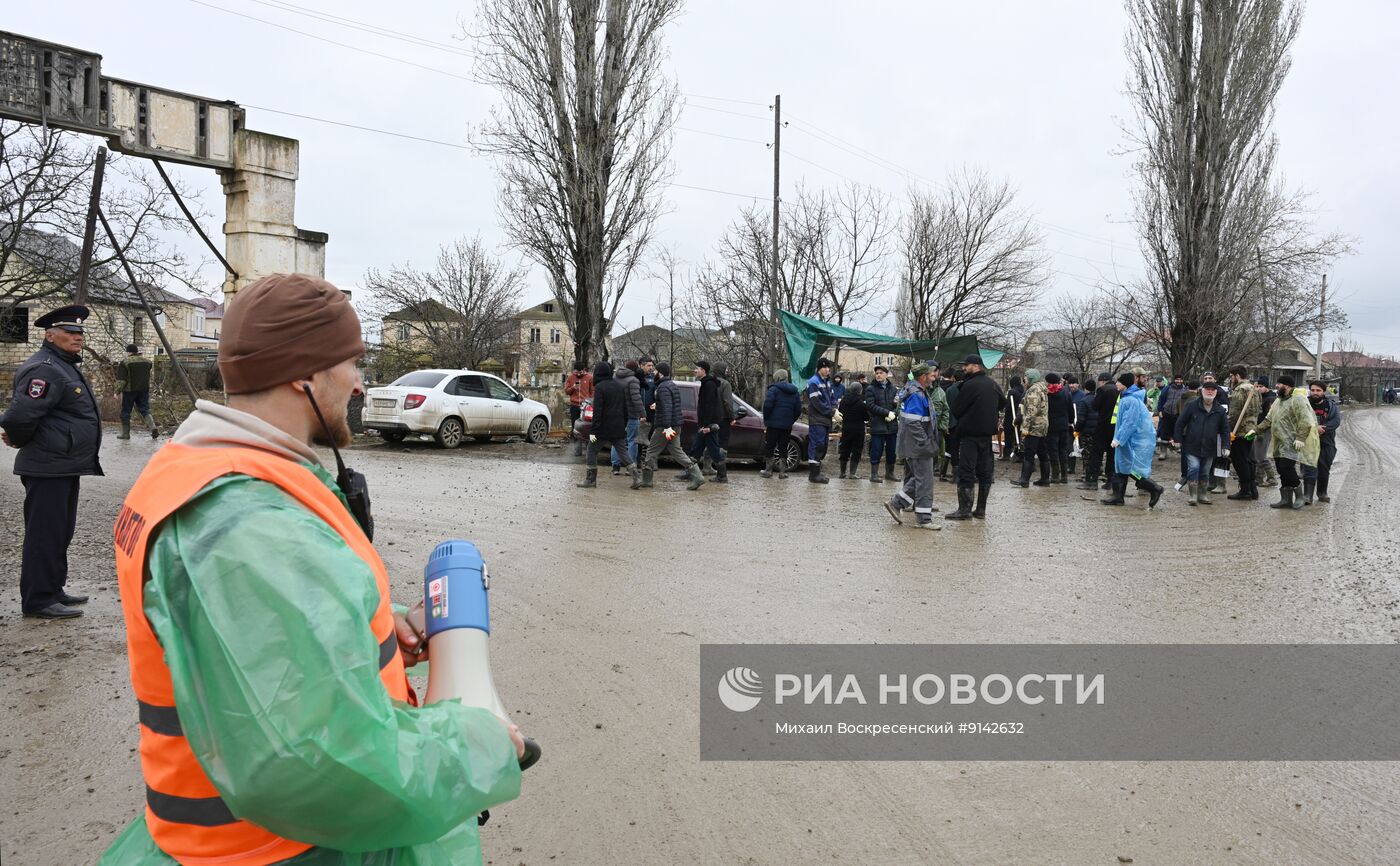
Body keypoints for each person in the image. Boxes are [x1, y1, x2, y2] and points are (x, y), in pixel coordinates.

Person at [101, 274, 522, 865]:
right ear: (304, 375)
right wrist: (475, 747)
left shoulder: (200, 466)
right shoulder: (249, 521)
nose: (360, 383)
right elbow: (312, 762)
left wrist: (370, 626)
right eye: (351, 363)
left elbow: (248, 626)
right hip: (280, 850)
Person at [1, 303, 102, 619]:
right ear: (50, 335)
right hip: (48, 465)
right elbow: (19, 416)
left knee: (59, 531)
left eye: (80, 332)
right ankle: (39, 600)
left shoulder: (63, 364)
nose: (78, 337)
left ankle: (53, 589)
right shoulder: (45, 368)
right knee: (44, 533)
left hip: (63, 464)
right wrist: (18, 438)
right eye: (70, 332)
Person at [947, 353, 1005, 520]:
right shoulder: (992, 384)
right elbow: (1003, 402)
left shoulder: (969, 385)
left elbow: (956, 409)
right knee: (985, 473)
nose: (964, 368)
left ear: (976, 366)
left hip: (970, 435)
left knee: (966, 471)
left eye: (967, 365)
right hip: (987, 435)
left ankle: (964, 510)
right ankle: (980, 510)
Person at [883, 363, 940, 530]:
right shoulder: (916, 394)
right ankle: (921, 518)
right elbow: (913, 423)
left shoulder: (914, 391)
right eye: (931, 375)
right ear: (923, 377)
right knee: (924, 481)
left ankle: (900, 505)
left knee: (920, 479)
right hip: (918, 445)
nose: (934, 378)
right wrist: (925, 442)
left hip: (914, 444)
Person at [1254, 375, 1319, 510]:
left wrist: (1300, 438)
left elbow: (1306, 420)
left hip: (1292, 442)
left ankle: (1300, 496)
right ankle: (1286, 499)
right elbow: (1269, 419)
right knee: (1280, 469)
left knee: (1287, 468)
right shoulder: (1279, 400)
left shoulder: (1298, 399)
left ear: (1287, 386)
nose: (1276, 386)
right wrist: (1256, 430)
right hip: (1279, 441)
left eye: (1279, 384)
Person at [1102, 373, 1165, 508]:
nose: (1116, 384)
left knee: (1130, 468)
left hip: (1131, 441)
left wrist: (1119, 439)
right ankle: (1118, 497)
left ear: (1125, 384)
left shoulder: (1130, 400)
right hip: (1129, 440)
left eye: (1119, 382)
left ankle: (1154, 488)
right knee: (1121, 468)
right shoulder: (1128, 398)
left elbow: (1129, 422)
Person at [579, 361, 640, 489]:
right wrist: (623, 424)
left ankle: (590, 480)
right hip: (618, 427)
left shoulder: (600, 387)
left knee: (591, 450)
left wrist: (593, 431)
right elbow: (626, 409)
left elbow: (598, 411)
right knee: (623, 452)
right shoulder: (620, 386)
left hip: (602, 429)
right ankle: (636, 477)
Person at [643, 362, 703, 490]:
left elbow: (667, 407)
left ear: (660, 373)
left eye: (655, 371)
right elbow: (670, 404)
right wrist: (658, 405)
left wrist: (666, 426)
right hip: (675, 424)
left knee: (651, 451)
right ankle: (697, 475)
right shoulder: (672, 385)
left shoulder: (663, 387)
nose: (654, 373)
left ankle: (647, 480)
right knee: (677, 451)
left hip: (665, 426)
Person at [1174, 381, 1230, 505]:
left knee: (1205, 471)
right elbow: (1180, 422)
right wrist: (1177, 439)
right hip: (1191, 445)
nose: (1210, 391)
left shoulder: (1220, 410)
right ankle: (1193, 496)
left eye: (1212, 390)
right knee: (1194, 467)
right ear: (1202, 391)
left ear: (1216, 392)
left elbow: (1225, 430)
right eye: (1207, 389)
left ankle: (1202, 495)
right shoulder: (1192, 406)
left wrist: (1226, 446)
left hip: (1209, 447)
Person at [1225, 365, 1261, 501]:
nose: (1231, 379)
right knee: (1248, 459)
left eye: (1231, 376)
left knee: (1240, 461)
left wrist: (1228, 430)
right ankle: (1253, 489)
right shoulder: (1254, 389)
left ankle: (1246, 491)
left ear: (1237, 376)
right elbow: (1259, 409)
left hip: (1240, 430)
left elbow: (1234, 413)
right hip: (1251, 429)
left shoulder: (1240, 389)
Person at [689, 360, 728, 484]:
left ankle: (722, 476)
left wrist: (707, 425)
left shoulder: (709, 385)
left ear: (703, 370)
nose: (695, 370)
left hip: (709, 425)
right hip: (705, 424)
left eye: (697, 368)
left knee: (714, 451)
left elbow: (709, 406)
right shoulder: (706, 383)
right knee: (696, 449)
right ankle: (689, 472)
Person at [760, 369, 803, 480]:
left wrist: (767, 419)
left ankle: (768, 471)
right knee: (783, 447)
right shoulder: (794, 391)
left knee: (770, 446)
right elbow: (798, 409)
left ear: (777, 378)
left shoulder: (773, 389)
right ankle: (782, 472)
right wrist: (790, 420)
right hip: (786, 426)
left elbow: (767, 405)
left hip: (773, 425)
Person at [1303, 380, 1341, 504]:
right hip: (1308, 442)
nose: (1315, 393)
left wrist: (1323, 429)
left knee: (1324, 468)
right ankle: (1307, 495)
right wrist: (1315, 429)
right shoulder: (1304, 405)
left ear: (1323, 392)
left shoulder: (1331, 406)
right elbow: (1299, 420)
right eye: (1313, 390)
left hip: (1326, 442)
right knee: (1309, 467)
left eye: (1318, 390)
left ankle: (1322, 493)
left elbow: (1336, 421)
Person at [1011, 369, 1049, 488]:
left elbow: (1031, 411)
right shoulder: (1042, 388)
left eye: (1026, 378)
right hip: (1042, 425)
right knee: (1042, 452)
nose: (1024, 381)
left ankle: (1024, 479)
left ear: (1031, 378)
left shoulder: (1033, 390)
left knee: (1029, 453)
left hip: (1034, 427)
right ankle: (1045, 479)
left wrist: (1026, 428)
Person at [863, 365, 899, 482]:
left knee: (892, 451)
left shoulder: (894, 389)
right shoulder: (871, 389)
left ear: (886, 374)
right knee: (876, 450)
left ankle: (890, 473)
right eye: (877, 373)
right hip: (878, 425)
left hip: (892, 425)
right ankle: (874, 474)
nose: (878, 375)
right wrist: (886, 413)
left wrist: (894, 413)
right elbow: (870, 405)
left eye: (881, 373)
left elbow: (898, 405)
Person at [116, 343, 159, 440]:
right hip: (144, 390)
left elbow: (121, 380)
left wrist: (117, 391)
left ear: (128, 352)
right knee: (145, 409)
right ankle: (153, 427)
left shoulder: (125, 362)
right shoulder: (147, 362)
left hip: (129, 391)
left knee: (126, 411)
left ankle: (125, 434)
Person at [805, 357, 837, 484]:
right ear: (819, 368)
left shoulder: (827, 382)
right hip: (817, 419)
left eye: (828, 367)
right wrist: (831, 412)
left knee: (822, 445)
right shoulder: (813, 382)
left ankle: (816, 473)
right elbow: (817, 403)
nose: (827, 369)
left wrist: (835, 408)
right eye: (825, 367)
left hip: (825, 419)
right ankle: (814, 475)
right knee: (817, 445)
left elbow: (833, 398)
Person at [609, 361, 643, 475]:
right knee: (632, 440)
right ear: (635, 369)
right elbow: (636, 399)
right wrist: (643, 413)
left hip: (617, 414)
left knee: (617, 440)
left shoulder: (615, 378)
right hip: (631, 414)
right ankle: (631, 467)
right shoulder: (633, 380)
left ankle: (615, 466)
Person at [1088, 372, 1118, 490]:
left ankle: (1092, 480)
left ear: (1102, 381)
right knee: (1112, 454)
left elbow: (1095, 405)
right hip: (1115, 426)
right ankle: (1110, 480)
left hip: (1103, 425)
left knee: (1096, 453)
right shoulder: (1119, 389)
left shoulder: (1102, 390)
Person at [1044, 372, 1072, 484]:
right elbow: (1070, 409)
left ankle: (1055, 475)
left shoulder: (1047, 394)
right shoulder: (1066, 393)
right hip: (1064, 425)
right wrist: (1070, 421)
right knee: (1063, 450)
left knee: (1053, 451)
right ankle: (1064, 476)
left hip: (1052, 426)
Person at [837, 380, 868, 479]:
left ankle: (842, 472)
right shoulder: (861, 403)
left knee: (844, 450)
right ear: (860, 391)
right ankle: (852, 473)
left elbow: (840, 413)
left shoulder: (843, 401)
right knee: (856, 451)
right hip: (858, 430)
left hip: (846, 428)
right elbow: (866, 417)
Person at [1253, 377, 1280, 487]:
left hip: (1265, 430)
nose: (1259, 388)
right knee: (1257, 455)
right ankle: (1259, 478)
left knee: (1261, 456)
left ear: (1267, 387)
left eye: (1261, 386)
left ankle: (1271, 478)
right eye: (1257, 386)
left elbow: (1269, 418)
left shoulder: (1270, 399)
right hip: (1257, 428)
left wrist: (1260, 429)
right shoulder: (1259, 397)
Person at [564, 360, 594, 457]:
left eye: (581, 372)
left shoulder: (590, 377)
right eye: (577, 372)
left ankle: (589, 448)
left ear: (584, 370)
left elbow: (592, 392)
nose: (579, 374)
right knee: (575, 427)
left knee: (587, 427)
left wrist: (590, 402)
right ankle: (577, 449)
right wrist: (573, 388)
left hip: (586, 407)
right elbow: (566, 391)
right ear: (574, 370)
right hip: (574, 405)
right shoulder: (570, 377)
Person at [938, 369, 961, 482]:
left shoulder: (950, 390)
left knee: (950, 448)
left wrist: (946, 423)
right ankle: (958, 474)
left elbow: (946, 408)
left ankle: (943, 473)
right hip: (964, 423)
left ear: (954, 378)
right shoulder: (967, 388)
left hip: (951, 423)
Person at [1067, 375, 1093, 478]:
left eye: (1074, 383)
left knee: (1083, 447)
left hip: (1081, 426)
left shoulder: (1082, 396)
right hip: (1071, 426)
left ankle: (1085, 469)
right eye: (1070, 383)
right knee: (1069, 446)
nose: (1071, 385)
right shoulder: (1068, 395)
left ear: (1078, 384)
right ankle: (1070, 467)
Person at [1156, 374, 1186, 456]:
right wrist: (1160, 410)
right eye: (1177, 379)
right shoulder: (1167, 388)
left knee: (1178, 432)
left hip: (1178, 415)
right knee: (1164, 433)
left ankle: (1178, 448)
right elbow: (1161, 399)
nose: (1179, 381)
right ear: (1174, 380)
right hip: (1166, 413)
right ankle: (1163, 451)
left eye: (1180, 379)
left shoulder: (1184, 390)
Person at [1002, 375, 1024, 461]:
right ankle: (1018, 452)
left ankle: (1007, 454)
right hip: (1020, 416)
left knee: (1008, 436)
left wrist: (1005, 416)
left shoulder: (1012, 392)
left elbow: (1008, 406)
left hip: (1011, 416)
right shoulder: (1023, 391)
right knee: (1018, 435)